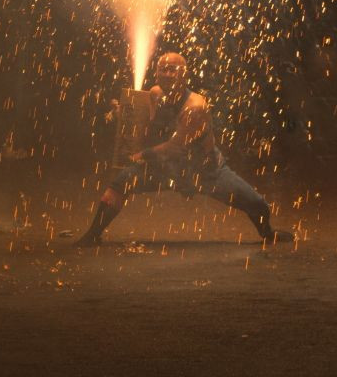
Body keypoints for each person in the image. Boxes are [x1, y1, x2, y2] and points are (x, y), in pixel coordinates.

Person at [76, 51, 294, 247]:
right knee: (120, 183)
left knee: (258, 205)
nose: (167, 74)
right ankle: (92, 235)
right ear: (156, 73)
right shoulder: (155, 94)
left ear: (184, 75)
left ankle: (268, 233)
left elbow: (176, 147)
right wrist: (124, 115)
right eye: (162, 69)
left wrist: (141, 155)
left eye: (173, 69)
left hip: (205, 171)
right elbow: (146, 128)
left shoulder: (195, 107)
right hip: (168, 168)